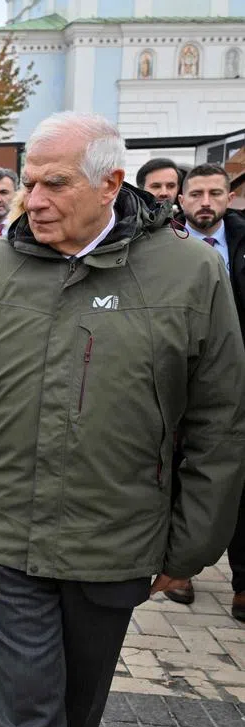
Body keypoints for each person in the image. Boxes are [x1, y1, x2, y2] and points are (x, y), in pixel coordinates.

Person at [0, 112, 245, 727]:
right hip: (5, 535)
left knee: (78, 708)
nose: (31, 200)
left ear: (110, 184)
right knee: (29, 711)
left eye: (54, 185)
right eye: (30, 182)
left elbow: (219, 422)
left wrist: (191, 546)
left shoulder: (189, 276)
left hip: (115, 541)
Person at [166, 163, 245, 614]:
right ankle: (182, 568)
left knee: (235, 476)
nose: (205, 202)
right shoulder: (168, 248)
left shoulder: (239, 244)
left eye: (215, 193)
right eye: (196, 193)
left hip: (236, 377)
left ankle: (242, 578)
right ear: (182, 199)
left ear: (229, 197)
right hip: (186, 378)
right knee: (185, 472)